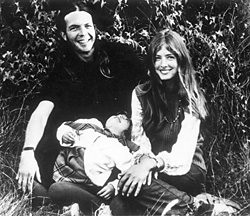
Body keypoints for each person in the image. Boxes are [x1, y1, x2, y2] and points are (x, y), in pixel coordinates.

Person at [16, 2, 145, 208]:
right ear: (63, 34)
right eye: (74, 28)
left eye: (88, 26)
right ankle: (76, 198)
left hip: (119, 142)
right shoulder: (62, 70)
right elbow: (41, 113)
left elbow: (148, 90)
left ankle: (77, 200)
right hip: (84, 143)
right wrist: (27, 152)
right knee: (46, 155)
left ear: (95, 28)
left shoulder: (120, 54)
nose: (83, 33)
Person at [109, 29, 214, 215]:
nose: (163, 64)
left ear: (180, 60)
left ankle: (192, 207)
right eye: (158, 58)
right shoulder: (141, 94)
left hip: (188, 171)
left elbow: (182, 156)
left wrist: (149, 165)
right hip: (152, 167)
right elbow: (138, 140)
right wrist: (143, 162)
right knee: (120, 201)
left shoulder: (192, 97)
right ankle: (189, 207)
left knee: (134, 188)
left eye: (170, 57)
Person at [49, 113, 139, 215]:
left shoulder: (119, 147)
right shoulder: (93, 124)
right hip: (67, 173)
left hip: (91, 184)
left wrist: (113, 186)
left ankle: (100, 209)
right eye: (118, 114)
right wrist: (64, 134)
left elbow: (129, 171)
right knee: (55, 189)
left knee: (56, 189)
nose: (121, 116)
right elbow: (66, 126)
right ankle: (81, 208)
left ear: (125, 134)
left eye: (126, 119)